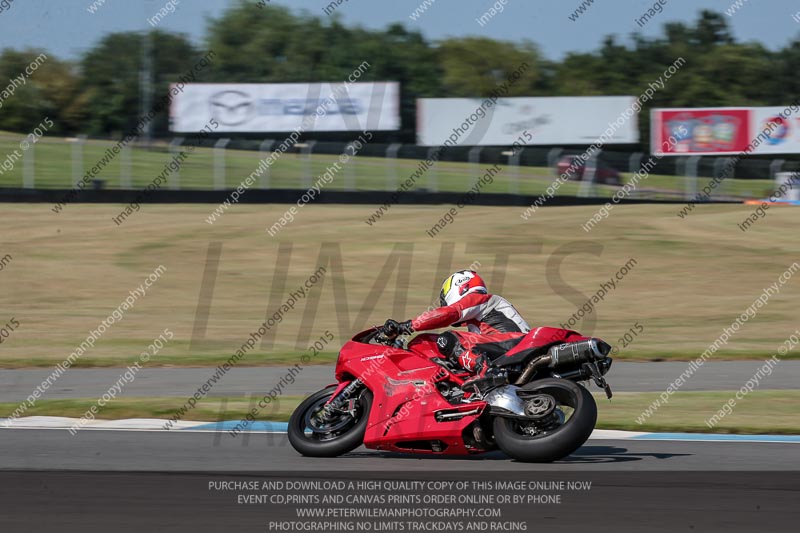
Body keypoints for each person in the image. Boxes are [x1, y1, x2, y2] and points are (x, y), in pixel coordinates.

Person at [382, 270, 530, 391]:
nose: (444, 302)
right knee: (429, 341)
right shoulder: (478, 321)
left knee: (447, 339)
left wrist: (406, 326)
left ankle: (487, 371)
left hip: (515, 343)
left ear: (461, 286)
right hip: (509, 349)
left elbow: (449, 313)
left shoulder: (479, 298)